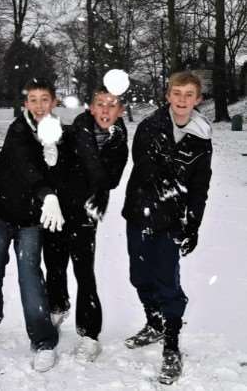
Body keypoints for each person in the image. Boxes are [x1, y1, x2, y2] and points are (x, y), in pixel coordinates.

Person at [0, 78, 65, 373]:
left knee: (30, 278)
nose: (38, 105)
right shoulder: (18, 130)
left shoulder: (59, 135)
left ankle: (44, 341)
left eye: (44, 99)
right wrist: (46, 192)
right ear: (25, 105)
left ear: (53, 102)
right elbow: (26, 166)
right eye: (32, 100)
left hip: (31, 220)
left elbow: (68, 168)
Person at [122, 71, 212, 385]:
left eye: (189, 94)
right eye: (177, 93)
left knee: (167, 283)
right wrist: (174, 191)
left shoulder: (202, 136)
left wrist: (193, 224)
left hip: (171, 223)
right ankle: (155, 322)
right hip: (140, 213)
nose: (182, 100)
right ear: (168, 95)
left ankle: (171, 345)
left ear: (198, 99)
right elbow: (147, 171)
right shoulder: (150, 127)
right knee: (139, 276)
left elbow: (199, 186)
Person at [43, 86, 128, 362]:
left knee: (84, 271)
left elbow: (112, 180)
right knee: (54, 262)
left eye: (112, 105)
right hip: (58, 208)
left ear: (120, 111)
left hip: (86, 212)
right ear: (90, 108)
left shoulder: (118, 141)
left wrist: (95, 175)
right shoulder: (76, 130)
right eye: (100, 104)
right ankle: (57, 306)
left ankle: (90, 333)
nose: (105, 110)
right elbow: (53, 162)